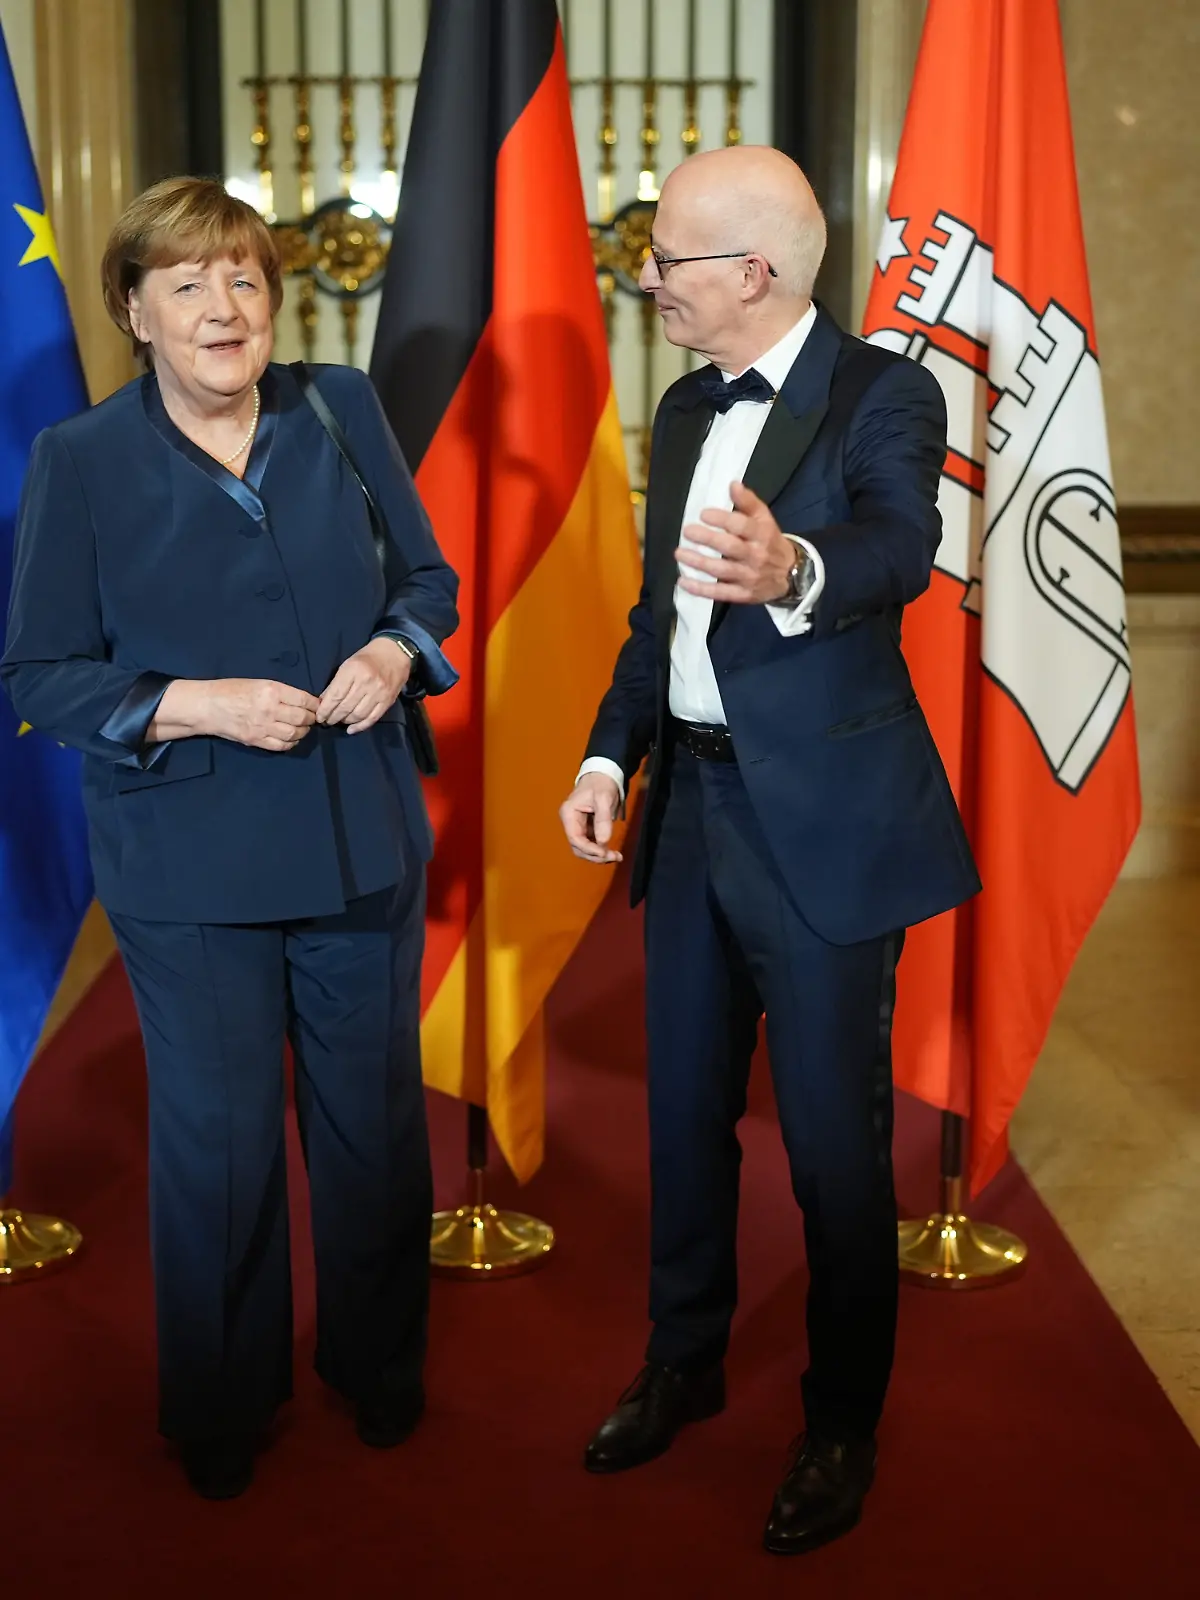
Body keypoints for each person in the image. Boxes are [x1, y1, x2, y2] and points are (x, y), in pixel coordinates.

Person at [1, 177, 459, 1501]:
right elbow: (39, 672)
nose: (223, 307)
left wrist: (392, 649)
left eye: (245, 280)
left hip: (357, 839)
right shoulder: (78, 460)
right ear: (137, 312)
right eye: (189, 284)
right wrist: (189, 704)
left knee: (372, 1128)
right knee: (219, 1145)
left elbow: (427, 580)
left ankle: (376, 1368)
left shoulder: (341, 406)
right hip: (187, 863)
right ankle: (219, 1402)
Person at [559, 146, 980, 1557]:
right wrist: (613, 752)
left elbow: (897, 544)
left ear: (751, 273)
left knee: (831, 1152)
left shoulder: (886, 391)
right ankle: (682, 1362)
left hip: (825, 829)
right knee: (681, 1119)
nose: (646, 274)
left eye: (665, 253)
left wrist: (791, 566)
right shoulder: (681, 407)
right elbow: (655, 621)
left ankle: (840, 1420)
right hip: (692, 817)